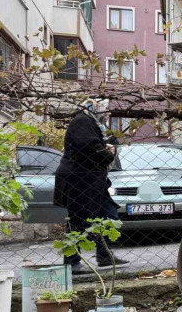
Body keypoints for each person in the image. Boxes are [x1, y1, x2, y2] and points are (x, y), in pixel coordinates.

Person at [53, 99, 128, 274]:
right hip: (80, 181)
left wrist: (105, 147)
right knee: (79, 220)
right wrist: (108, 153)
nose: (107, 113)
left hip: (92, 182)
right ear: (96, 107)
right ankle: (71, 263)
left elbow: (91, 146)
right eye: (105, 109)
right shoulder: (82, 120)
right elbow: (87, 147)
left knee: (110, 215)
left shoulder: (90, 122)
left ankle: (104, 256)